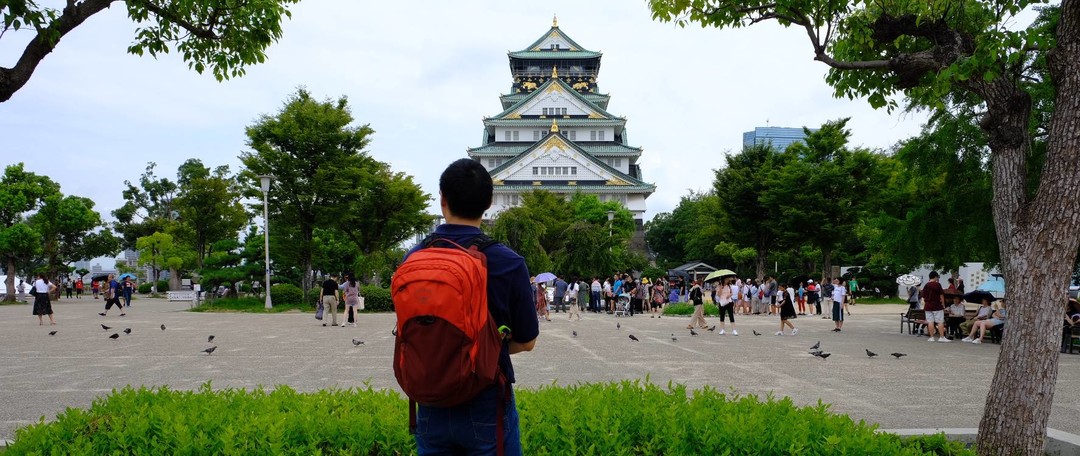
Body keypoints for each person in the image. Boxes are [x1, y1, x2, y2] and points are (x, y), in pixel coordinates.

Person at [405, 158, 538, 455]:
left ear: (443, 199)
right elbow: (527, 341)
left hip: (429, 398)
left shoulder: (413, 258)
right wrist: (483, 347)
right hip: (485, 400)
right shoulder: (508, 262)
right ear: (489, 202)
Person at [921, 271, 949, 342]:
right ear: (935, 277)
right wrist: (943, 304)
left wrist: (927, 302)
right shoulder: (937, 285)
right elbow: (941, 296)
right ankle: (942, 337)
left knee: (930, 321)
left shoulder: (926, 285)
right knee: (940, 321)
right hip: (937, 306)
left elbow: (924, 296)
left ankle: (931, 337)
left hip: (928, 306)